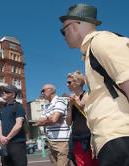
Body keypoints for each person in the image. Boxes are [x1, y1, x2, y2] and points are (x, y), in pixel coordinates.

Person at [60, 3, 129, 166]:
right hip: (111, 139)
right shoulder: (91, 50)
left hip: (119, 137)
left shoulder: (101, 41)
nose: (63, 36)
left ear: (75, 26)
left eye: (64, 30)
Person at [66, 71, 99, 166]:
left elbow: (92, 115)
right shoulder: (71, 99)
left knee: (93, 163)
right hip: (76, 138)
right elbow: (68, 122)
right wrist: (70, 106)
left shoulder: (88, 95)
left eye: (69, 82)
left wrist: (79, 103)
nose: (67, 85)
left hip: (89, 137)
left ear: (78, 83)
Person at [37, 84, 70, 166]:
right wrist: (49, 118)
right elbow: (39, 122)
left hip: (62, 141)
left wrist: (48, 119)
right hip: (51, 141)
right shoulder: (47, 106)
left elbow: (54, 119)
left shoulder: (60, 101)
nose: (42, 93)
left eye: (43, 91)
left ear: (51, 90)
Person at [0, 84, 27, 166]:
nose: (3, 93)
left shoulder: (18, 107)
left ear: (13, 95)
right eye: (3, 91)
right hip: (5, 144)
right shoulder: (2, 109)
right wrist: (1, 136)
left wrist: (7, 138)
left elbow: (19, 125)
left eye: (6, 92)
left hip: (17, 143)